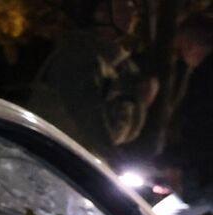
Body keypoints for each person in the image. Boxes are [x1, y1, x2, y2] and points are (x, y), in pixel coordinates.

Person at [26, 0, 159, 162]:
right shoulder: (77, 56)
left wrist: (140, 103)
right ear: (100, 13)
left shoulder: (123, 66)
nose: (133, 14)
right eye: (123, 7)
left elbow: (123, 130)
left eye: (133, 9)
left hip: (76, 160)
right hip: (52, 158)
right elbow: (90, 120)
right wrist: (115, 161)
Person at [168, 13, 213, 196]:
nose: (182, 57)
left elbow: (202, 132)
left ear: (191, 45)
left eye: (181, 49)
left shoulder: (205, 78)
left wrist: (169, 160)